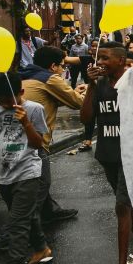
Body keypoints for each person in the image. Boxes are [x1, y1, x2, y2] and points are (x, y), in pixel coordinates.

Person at [81, 42, 133, 264]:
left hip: (130, 156)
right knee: (126, 205)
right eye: (99, 58)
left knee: (121, 206)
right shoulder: (100, 85)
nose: (100, 62)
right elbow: (86, 119)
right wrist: (91, 87)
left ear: (120, 60)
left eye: (105, 58)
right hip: (107, 155)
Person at [0, 72, 52, 264]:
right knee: (24, 215)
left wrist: (26, 122)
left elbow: (39, 143)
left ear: (21, 92)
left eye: (12, 99)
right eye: (2, 100)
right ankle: (41, 248)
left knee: (17, 223)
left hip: (28, 172)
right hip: (3, 173)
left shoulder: (34, 108)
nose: (8, 105)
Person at [19, 46, 84, 224]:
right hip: (35, 140)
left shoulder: (24, 75)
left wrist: (70, 93)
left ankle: (50, 211)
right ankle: (18, 229)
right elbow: (77, 103)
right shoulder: (50, 78)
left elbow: (44, 99)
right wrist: (88, 90)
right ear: (53, 66)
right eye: (62, 66)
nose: (64, 70)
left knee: (36, 180)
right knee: (42, 182)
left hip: (15, 138)